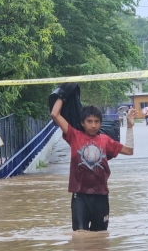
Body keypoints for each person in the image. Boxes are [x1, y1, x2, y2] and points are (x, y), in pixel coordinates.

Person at [50, 96, 136, 231]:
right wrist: (63, 94)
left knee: (100, 237)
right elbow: (55, 114)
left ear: (101, 124)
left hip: (101, 196)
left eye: (96, 121)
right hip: (80, 196)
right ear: (82, 123)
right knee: (80, 236)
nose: (93, 125)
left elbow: (129, 151)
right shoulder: (74, 136)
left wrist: (130, 126)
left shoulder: (105, 140)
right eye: (89, 121)